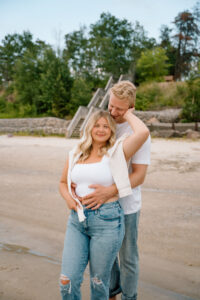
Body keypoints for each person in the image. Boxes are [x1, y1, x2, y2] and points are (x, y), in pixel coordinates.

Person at [59, 108, 149, 300]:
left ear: (112, 130)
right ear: (90, 128)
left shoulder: (117, 151)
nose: (101, 129)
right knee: (67, 280)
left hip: (107, 221)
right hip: (77, 220)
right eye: (97, 125)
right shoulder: (76, 152)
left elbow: (142, 133)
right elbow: (62, 183)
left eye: (106, 126)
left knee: (99, 283)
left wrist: (126, 113)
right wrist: (69, 199)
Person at [78, 81, 151, 300]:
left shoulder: (138, 132)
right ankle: (111, 294)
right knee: (104, 258)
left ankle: (130, 297)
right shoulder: (103, 125)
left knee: (128, 258)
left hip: (127, 206)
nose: (113, 112)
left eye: (120, 108)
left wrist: (110, 191)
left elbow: (139, 175)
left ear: (131, 106)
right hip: (101, 206)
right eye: (111, 105)